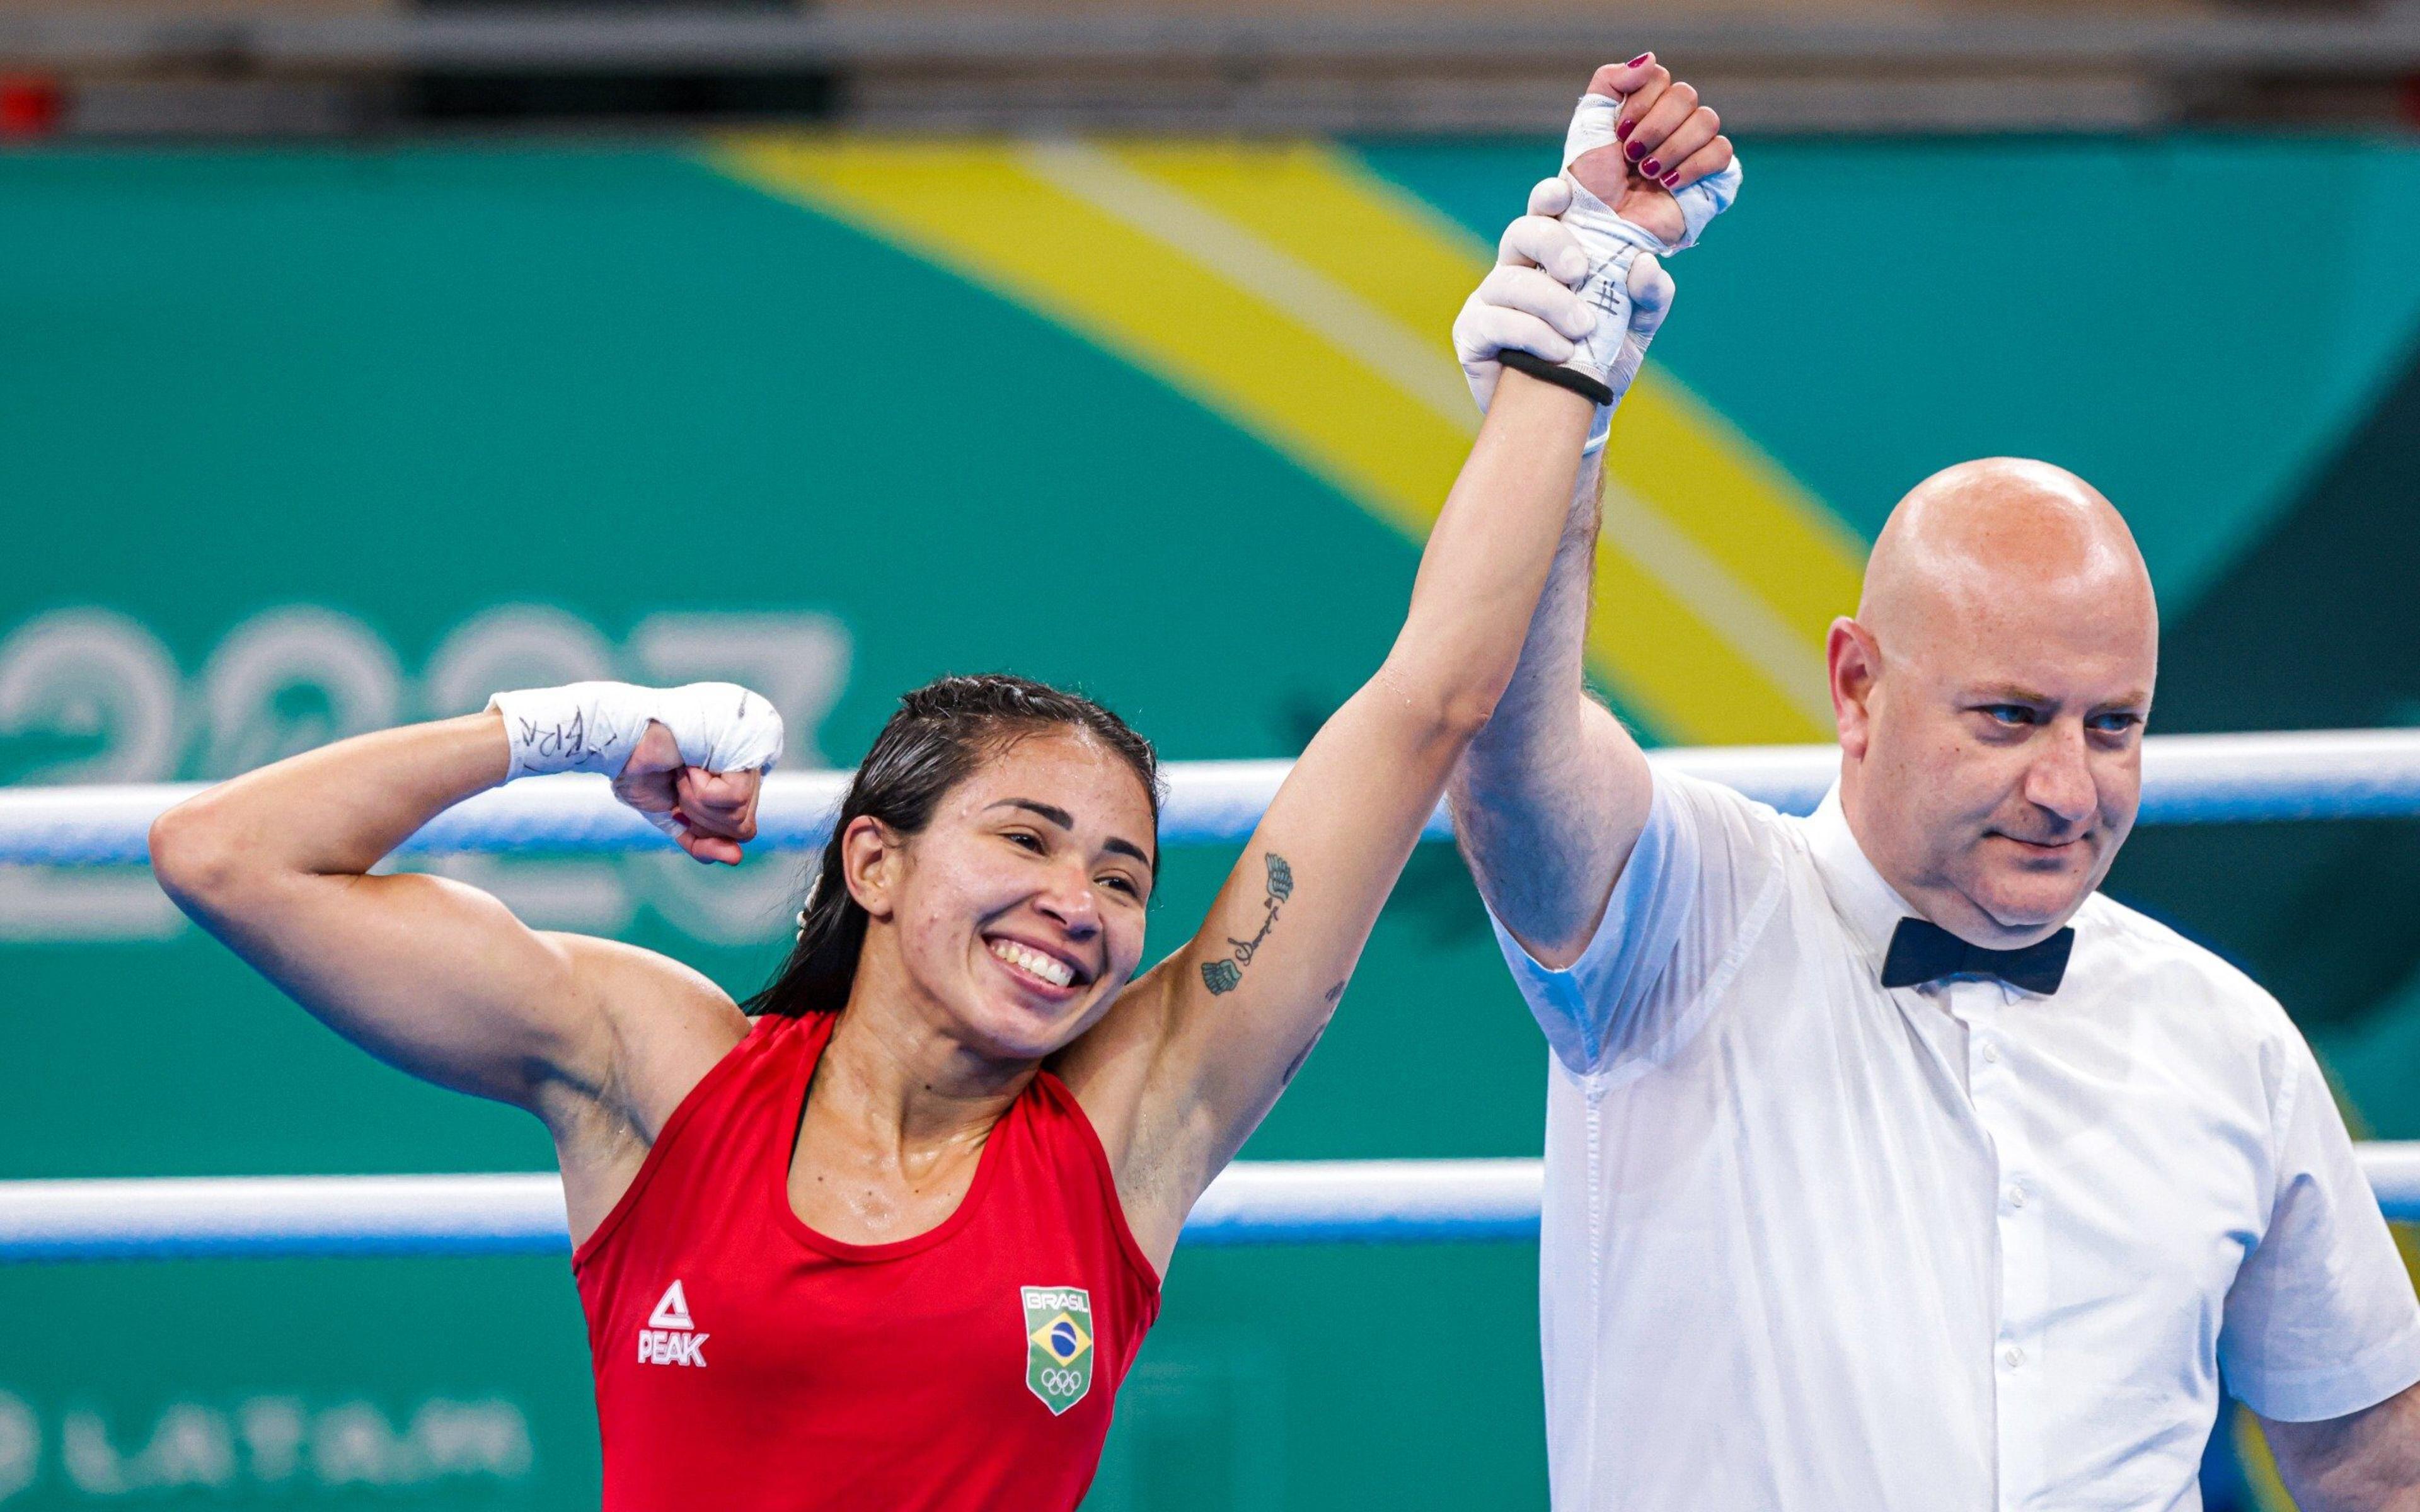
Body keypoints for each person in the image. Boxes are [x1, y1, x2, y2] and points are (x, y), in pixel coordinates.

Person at [146, 59, 1731, 1511]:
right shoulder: (660, 1069)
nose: (1080, 904)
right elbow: (227, 857)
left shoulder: (1133, 1116)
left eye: (1123, 876)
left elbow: (1425, 708)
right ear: (875, 863)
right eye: (1030, 839)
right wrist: (576, 726)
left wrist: (1580, 310)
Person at [1447, 178, 2420, 1504]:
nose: (2071, 790)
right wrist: (1557, 399)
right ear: (1857, 687)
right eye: (2013, 718)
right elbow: (1507, 741)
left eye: (2114, 726)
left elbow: (2369, 1456)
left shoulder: (2228, 1039)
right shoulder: (1685, 915)